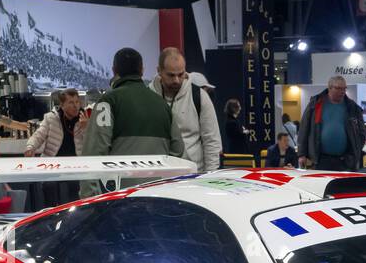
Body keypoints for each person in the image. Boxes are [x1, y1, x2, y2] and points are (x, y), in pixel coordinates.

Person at [81, 48, 182, 192]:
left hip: (121, 200)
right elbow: (178, 151)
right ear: (142, 70)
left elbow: (93, 153)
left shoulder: (108, 102)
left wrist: (89, 199)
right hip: (159, 196)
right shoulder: (162, 105)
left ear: (114, 70)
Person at [150, 48, 222, 172]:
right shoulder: (148, 96)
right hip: (156, 175)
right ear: (159, 71)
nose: (176, 80)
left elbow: (212, 141)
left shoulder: (199, 96)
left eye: (181, 74)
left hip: (193, 176)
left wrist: (210, 175)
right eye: (171, 75)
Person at [296, 75, 366, 171]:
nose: (342, 92)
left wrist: (356, 151)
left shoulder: (352, 107)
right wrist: (302, 154)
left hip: (345, 161)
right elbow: (304, 129)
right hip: (321, 160)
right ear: (329, 88)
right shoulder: (316, 104)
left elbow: (362, 133)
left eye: (344, 88)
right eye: (338, 88)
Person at [25, 88, 88, 157]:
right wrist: (30, 147)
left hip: (77, 162)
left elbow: (91, 145)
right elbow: (38, 136)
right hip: (52, 161)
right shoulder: (51, 118)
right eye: (71, 102)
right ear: (62, 105)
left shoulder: (84, 119)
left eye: (77, 102)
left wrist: (86, 128)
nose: (75, 106)